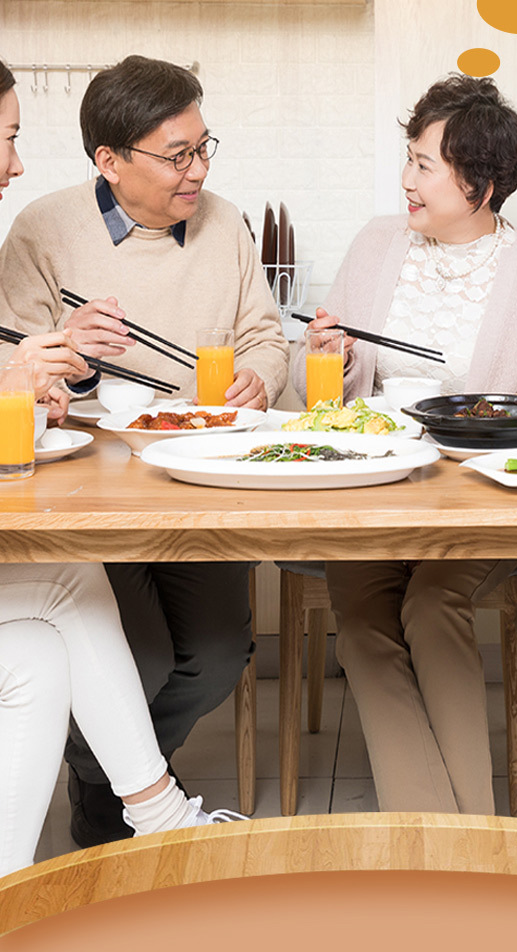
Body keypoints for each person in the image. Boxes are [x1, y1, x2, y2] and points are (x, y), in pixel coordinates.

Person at [0, 55, 289, 849]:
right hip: (89, 483)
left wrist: (261, 378)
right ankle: (129, 803)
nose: (198, 170)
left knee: (221, 652)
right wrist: (71, 354)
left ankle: (106, 779)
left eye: (203, 147)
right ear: (110, 160)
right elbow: (16, 373)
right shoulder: (42, 229)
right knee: (146, 656)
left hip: (201, 474)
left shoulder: (226, 224)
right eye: (176, 155)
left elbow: (266, 337)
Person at [292, 75, 517, 813]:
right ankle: (452, 832)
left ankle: (457, 832)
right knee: (363, 621)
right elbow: (315, 389)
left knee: (432, 603)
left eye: (424, 165)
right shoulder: (377, 242)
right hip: (373, 486)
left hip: (479, 497)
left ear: (480, 184)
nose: (407, 180)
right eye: (409, 159)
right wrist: (327, 357)